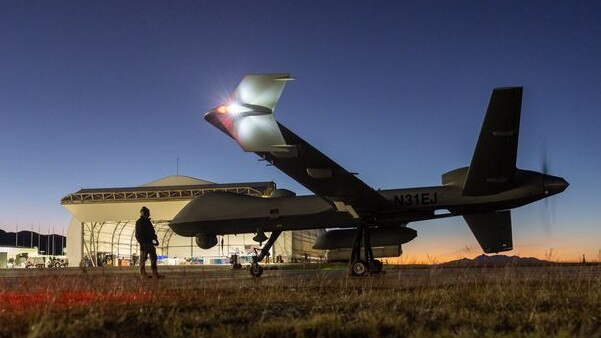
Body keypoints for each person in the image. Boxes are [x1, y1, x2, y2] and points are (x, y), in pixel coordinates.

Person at [135, 206, 163, 278]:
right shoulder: (140, 222)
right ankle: (143, 274)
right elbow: (138, 235)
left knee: (153, 258)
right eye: (148, 213)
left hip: (150, 243)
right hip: (145, 244)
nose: (149, 214)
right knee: (143, 259)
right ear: (144, 213)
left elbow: (152, 233)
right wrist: (142, 243)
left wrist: (155, 240)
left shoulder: (148, 222)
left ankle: (154, 273)